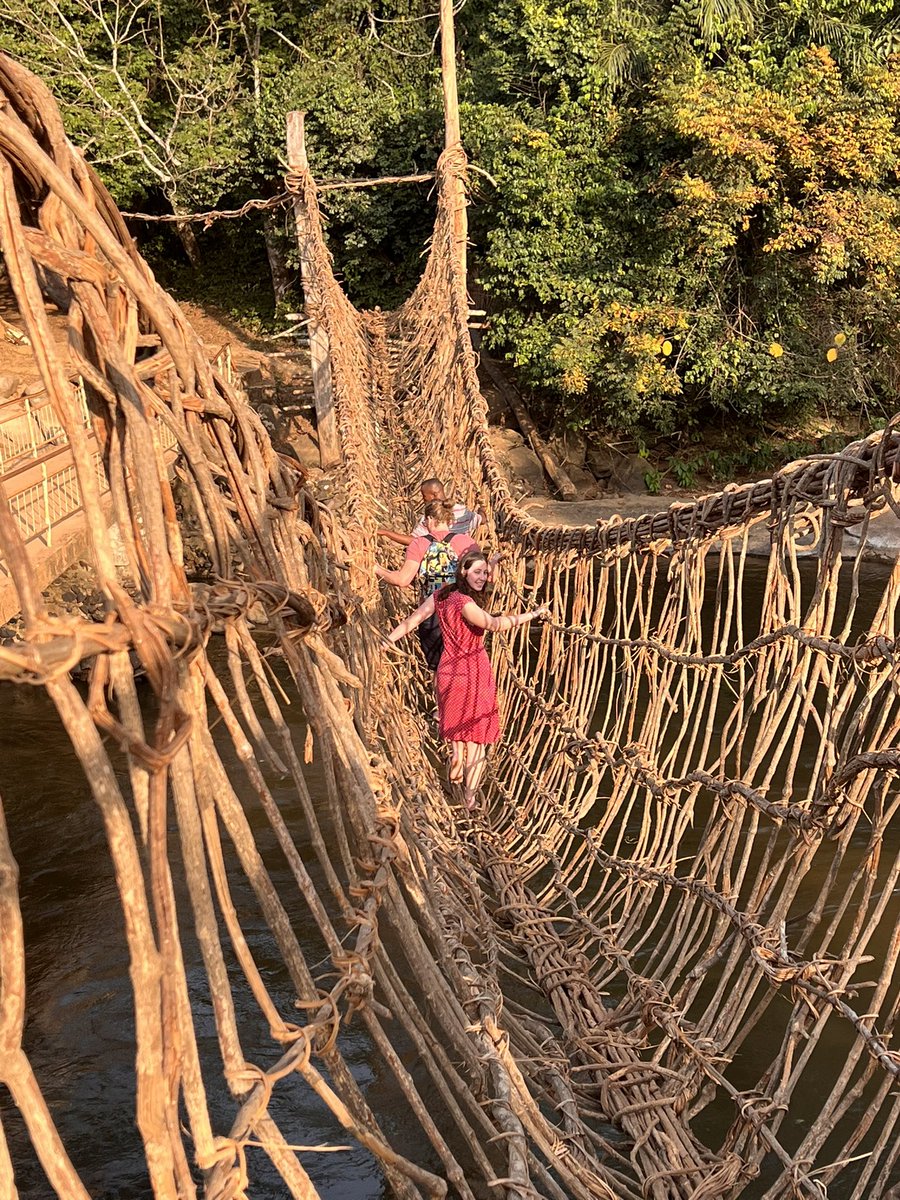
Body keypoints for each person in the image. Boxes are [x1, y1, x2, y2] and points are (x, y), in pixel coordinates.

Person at [385, 547, 549, 810]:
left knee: (458, 729)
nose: (483, 577)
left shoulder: (442, 595)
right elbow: (495, 624)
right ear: (463, 571)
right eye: (478, 572)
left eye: (485, 573)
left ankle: (455, 756)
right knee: (478, 742)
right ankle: (470, 799)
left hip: (447, 670)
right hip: (472, 672)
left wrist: (388, 639)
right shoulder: (465, 604)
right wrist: (532, 615)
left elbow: (415, 619)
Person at [376, 499, 480, 669]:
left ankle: (441, 695)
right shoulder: (467, 543)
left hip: (432, 615)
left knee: (439, 669)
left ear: (430, 520)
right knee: (464, 666)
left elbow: (402, 580)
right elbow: (483, 579)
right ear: (450, 520)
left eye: (425, 521)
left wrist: (377, 569)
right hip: (464, 612)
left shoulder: (419, 543)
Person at [377, 478, 481, 549]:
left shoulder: (429, 517)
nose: (423, 500)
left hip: (441, 570)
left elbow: (414, 540)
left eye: (424, 496)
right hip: (462, 569)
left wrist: (387, 533)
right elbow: (482, 519)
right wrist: (483, 507)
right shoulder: (462, 511)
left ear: (434, 494)